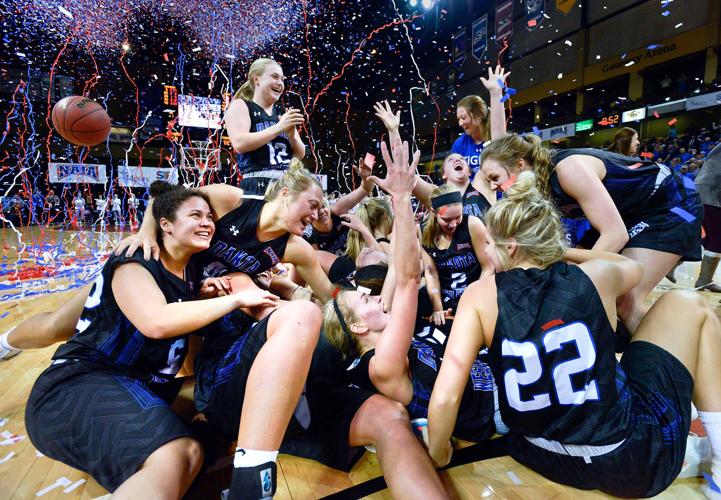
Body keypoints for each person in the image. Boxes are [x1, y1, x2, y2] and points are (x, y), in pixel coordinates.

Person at [427, 172, 721, 498]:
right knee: (687, 302)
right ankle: (720, 466)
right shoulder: (598, 275)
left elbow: (445, 397)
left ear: (510, 247)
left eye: (489, 244)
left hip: (539, 453)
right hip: (627, 464)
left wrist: (438, 454)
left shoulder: (479, 296)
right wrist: (561, 252)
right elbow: (632, 268)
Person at [24, 182, 279, 498]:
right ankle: (7, 341)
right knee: (176, 453)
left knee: (207, 424)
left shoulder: (191, 275)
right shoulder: (137, 259)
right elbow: (156, 323)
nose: (207, 222)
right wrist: (237, 300)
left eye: (210, 218)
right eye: (195, 215)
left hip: (136, 385)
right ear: (166, 225)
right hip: (76, 384)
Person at [320, 136, 451, 499]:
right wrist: (401, 197)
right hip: (490, 412)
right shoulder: (381, 366)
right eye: (362, 299)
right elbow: (408, 278)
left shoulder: (385, 325)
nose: (372, 295)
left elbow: (399, 267)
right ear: (360, 327)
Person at [479, 133, 703, 332]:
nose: (493, 187)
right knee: (568, 274)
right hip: (629, 212)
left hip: (671, 202)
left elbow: (615, 234)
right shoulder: (537, 182)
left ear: (519, 164)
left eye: (495, 178)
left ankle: (667, 364)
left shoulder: (567, 170)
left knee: (625, 300)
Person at [224, 58, 306, 195]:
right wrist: (279, 127)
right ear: (257, 80)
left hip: (287, 183)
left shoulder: (282, 112)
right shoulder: (241, 105)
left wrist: (292, 136)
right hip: (257, 182)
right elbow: (239, 143)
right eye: (274, 77)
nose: (280, 83)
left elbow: (300, 154)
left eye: (282, 79)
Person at [420, 184, 493, 325]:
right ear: (433, 213)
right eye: (446, 220)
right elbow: (431, 273)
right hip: (446, 299)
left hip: (475, 296)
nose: (453, 224)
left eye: (457, 217)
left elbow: (488, 268)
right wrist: (438, 308)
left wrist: (472, 301)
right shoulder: (423, 232)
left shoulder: (472, 224)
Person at [694, 143, 721, 292]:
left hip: (704, 191)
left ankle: (677, 262)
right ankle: (704, 280)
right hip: (712, 193)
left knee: (710, 238)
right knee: (717, 240)